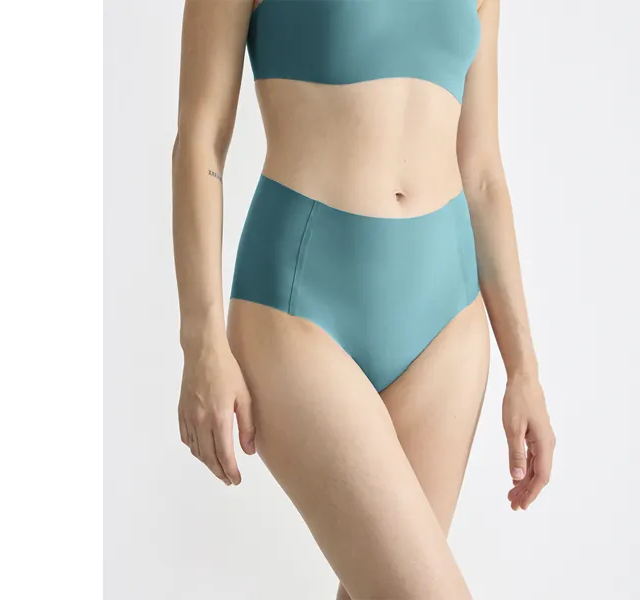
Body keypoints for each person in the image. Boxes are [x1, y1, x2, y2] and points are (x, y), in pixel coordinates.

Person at [171, 0, 555, 597]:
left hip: (447, 320)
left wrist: (524, 368)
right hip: (300, 306)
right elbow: (200, 142)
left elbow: (481, 172)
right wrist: (201, 343)